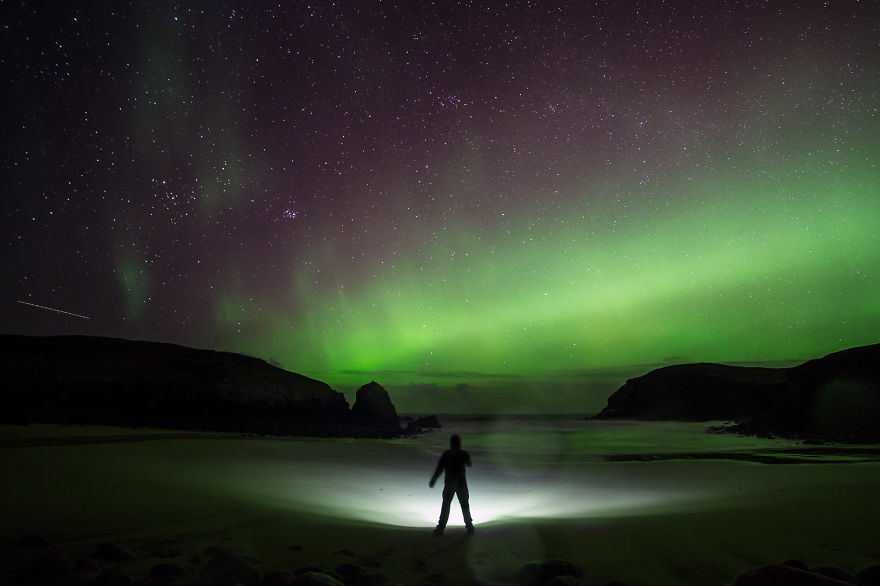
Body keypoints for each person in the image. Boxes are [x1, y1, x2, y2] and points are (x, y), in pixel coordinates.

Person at [429, 434, 474, 536]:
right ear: (459, 443)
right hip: (461, 483)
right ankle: (470, 527)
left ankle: (440, 528)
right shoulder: (463, 453)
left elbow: (439, 468)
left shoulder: (446, 454)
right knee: (464, 505)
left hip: (449, 483)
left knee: (446, 505)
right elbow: (469, 464)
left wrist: (433, 479)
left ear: (451, 443)